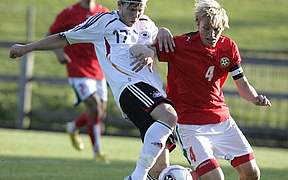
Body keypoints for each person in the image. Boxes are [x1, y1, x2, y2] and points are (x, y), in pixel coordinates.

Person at [9, 0, 177, 179]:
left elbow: (158, 47)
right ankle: (136, 175)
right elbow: (63, 37)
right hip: (131, 88)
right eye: (132, 9)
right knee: (169, 116)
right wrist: (26, 48)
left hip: (154, 92)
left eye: (139, 9)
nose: (135, 14)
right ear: (119, 4)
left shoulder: (147, 23)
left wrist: (160, 36)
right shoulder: (103, 22)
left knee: (159, 169)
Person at [129, 0, 272, 179]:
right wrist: (157, 38)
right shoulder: (179, 45)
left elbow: (242, 84)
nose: (212, 34)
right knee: (215, 178)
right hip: (190, 126)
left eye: (217, 30)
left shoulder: (228, 47)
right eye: (207, 28)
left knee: (252, 173)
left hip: (223, 122)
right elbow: (142, 48)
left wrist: (255, 97)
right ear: (197, 22)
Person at [47, 0, 109, 163]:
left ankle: (73, 126)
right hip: (77, 68)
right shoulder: (68, 13)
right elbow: (51, 34)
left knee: (100, 112)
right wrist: (60, 53)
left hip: (98, 68)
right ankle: (98, 152)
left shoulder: (103, 12)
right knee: (94, 106)